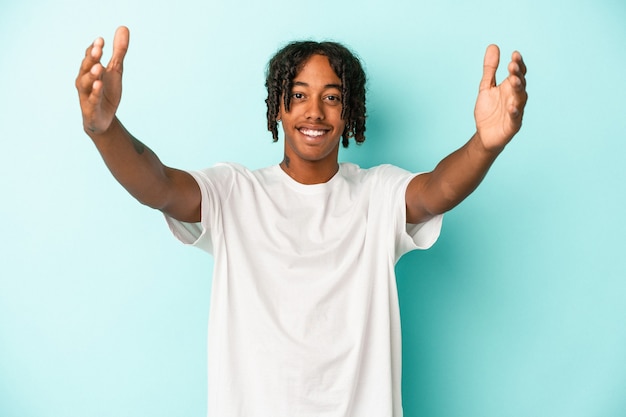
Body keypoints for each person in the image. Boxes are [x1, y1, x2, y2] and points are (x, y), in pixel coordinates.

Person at [75, 26, 527, 417]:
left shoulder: (377, 194)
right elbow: (159, 186)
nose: (315, 111)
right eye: (298, 96)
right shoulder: (235, 192)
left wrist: (484, 145)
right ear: (278, 107)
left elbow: (436, 191)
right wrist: (104, 129)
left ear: (349, 112)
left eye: (332, 97)